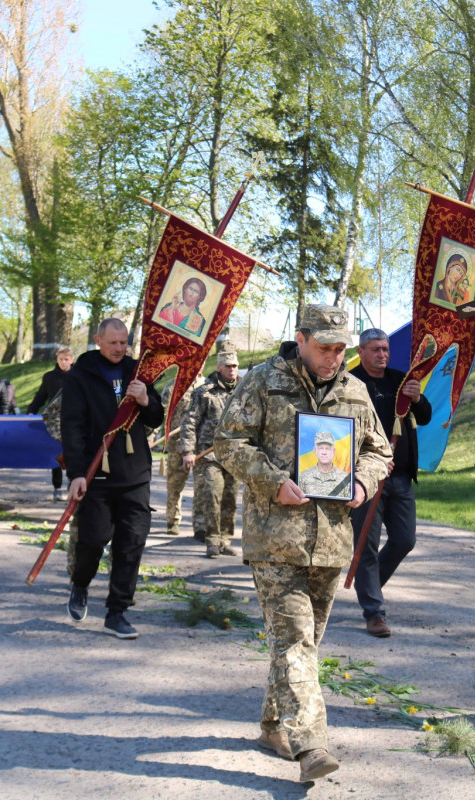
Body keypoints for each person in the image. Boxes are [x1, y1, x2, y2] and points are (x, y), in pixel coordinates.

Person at [214, 303, 391, 783]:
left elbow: (379, 449)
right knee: (295, 640)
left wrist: (363, 483)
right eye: (325, 347)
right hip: (276, 539)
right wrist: (272, 481)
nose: (334, 357)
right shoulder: (263, 381)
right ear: (302, 338)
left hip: (332, 540)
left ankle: (273, 725)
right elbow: (228, 442)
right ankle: (311, 744)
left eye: (340, 349)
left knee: (303, 644)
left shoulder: (355, 390)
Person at [61, 318, 164, 639]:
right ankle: (80, 583)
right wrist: (77, 474)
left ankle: (116, 612)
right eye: (113, 343)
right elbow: (72, 427)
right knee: (92, 541)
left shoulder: (138, 371)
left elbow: (157, 416)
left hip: (134, 474)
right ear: (98, 340)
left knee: (131, 544)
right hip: (97, 475)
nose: (120, 349)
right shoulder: (81, 375)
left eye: (124, 343)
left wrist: (145, 399)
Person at [349, 328, 432, 638]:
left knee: (404, 540)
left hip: (401, 478)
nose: (382, 354)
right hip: (367, 479)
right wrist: (370, 462)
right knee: (366, 546)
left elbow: (423, 417)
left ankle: (367, 587)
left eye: (385, 349)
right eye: (375, 350)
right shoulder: (351, 383)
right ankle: (374, 612)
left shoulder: (401, 379)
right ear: (361, 352)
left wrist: (418, 397)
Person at [180, 344, 241, 558]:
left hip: (235, 454)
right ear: (219, 367)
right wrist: (188, 450)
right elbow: (189, 422)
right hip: (209, 454)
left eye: (235, 366)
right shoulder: (204, 392)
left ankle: (225, 540)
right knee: (213, 497)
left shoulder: (244, 390)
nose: (232, 370)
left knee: (230, 499)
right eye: (228, 366)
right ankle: (212, 540)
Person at [158, 372, 207, 538]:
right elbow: (161, 413)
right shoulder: (173, 386)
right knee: (175, 485)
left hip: (201, 445)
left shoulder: (208, 385)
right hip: (177, 444)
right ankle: (173, 520)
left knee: (202, 486)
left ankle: (200, 526)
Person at [28, 346, 74, 501]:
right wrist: (31, 410)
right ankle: (57, 487)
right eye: (61, 359)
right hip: (55, 420)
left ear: (72, 360)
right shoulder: (49, 377)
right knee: (56, 453)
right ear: (57, 360)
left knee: (73, 453)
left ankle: (72, 484)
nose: (63, 362)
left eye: (66, 359)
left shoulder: (78, 376)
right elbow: (41, 395)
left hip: (74, 419)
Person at [296, 430, 350, 498]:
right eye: (321, 448)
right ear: (315, 451)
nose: (324, 452)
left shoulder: (344, 478)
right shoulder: (304, 476)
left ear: (333, 451)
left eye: (327, 449)